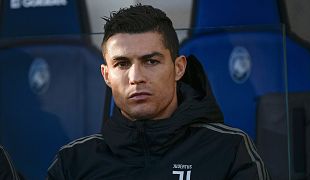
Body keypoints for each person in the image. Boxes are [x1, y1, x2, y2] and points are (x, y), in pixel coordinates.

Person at [47, 4, 269, 179]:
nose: (136, 77)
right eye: (122, 64)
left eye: (151, 61)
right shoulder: (73, 161)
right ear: (106, 75)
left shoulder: (228, 150)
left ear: (179, 68)